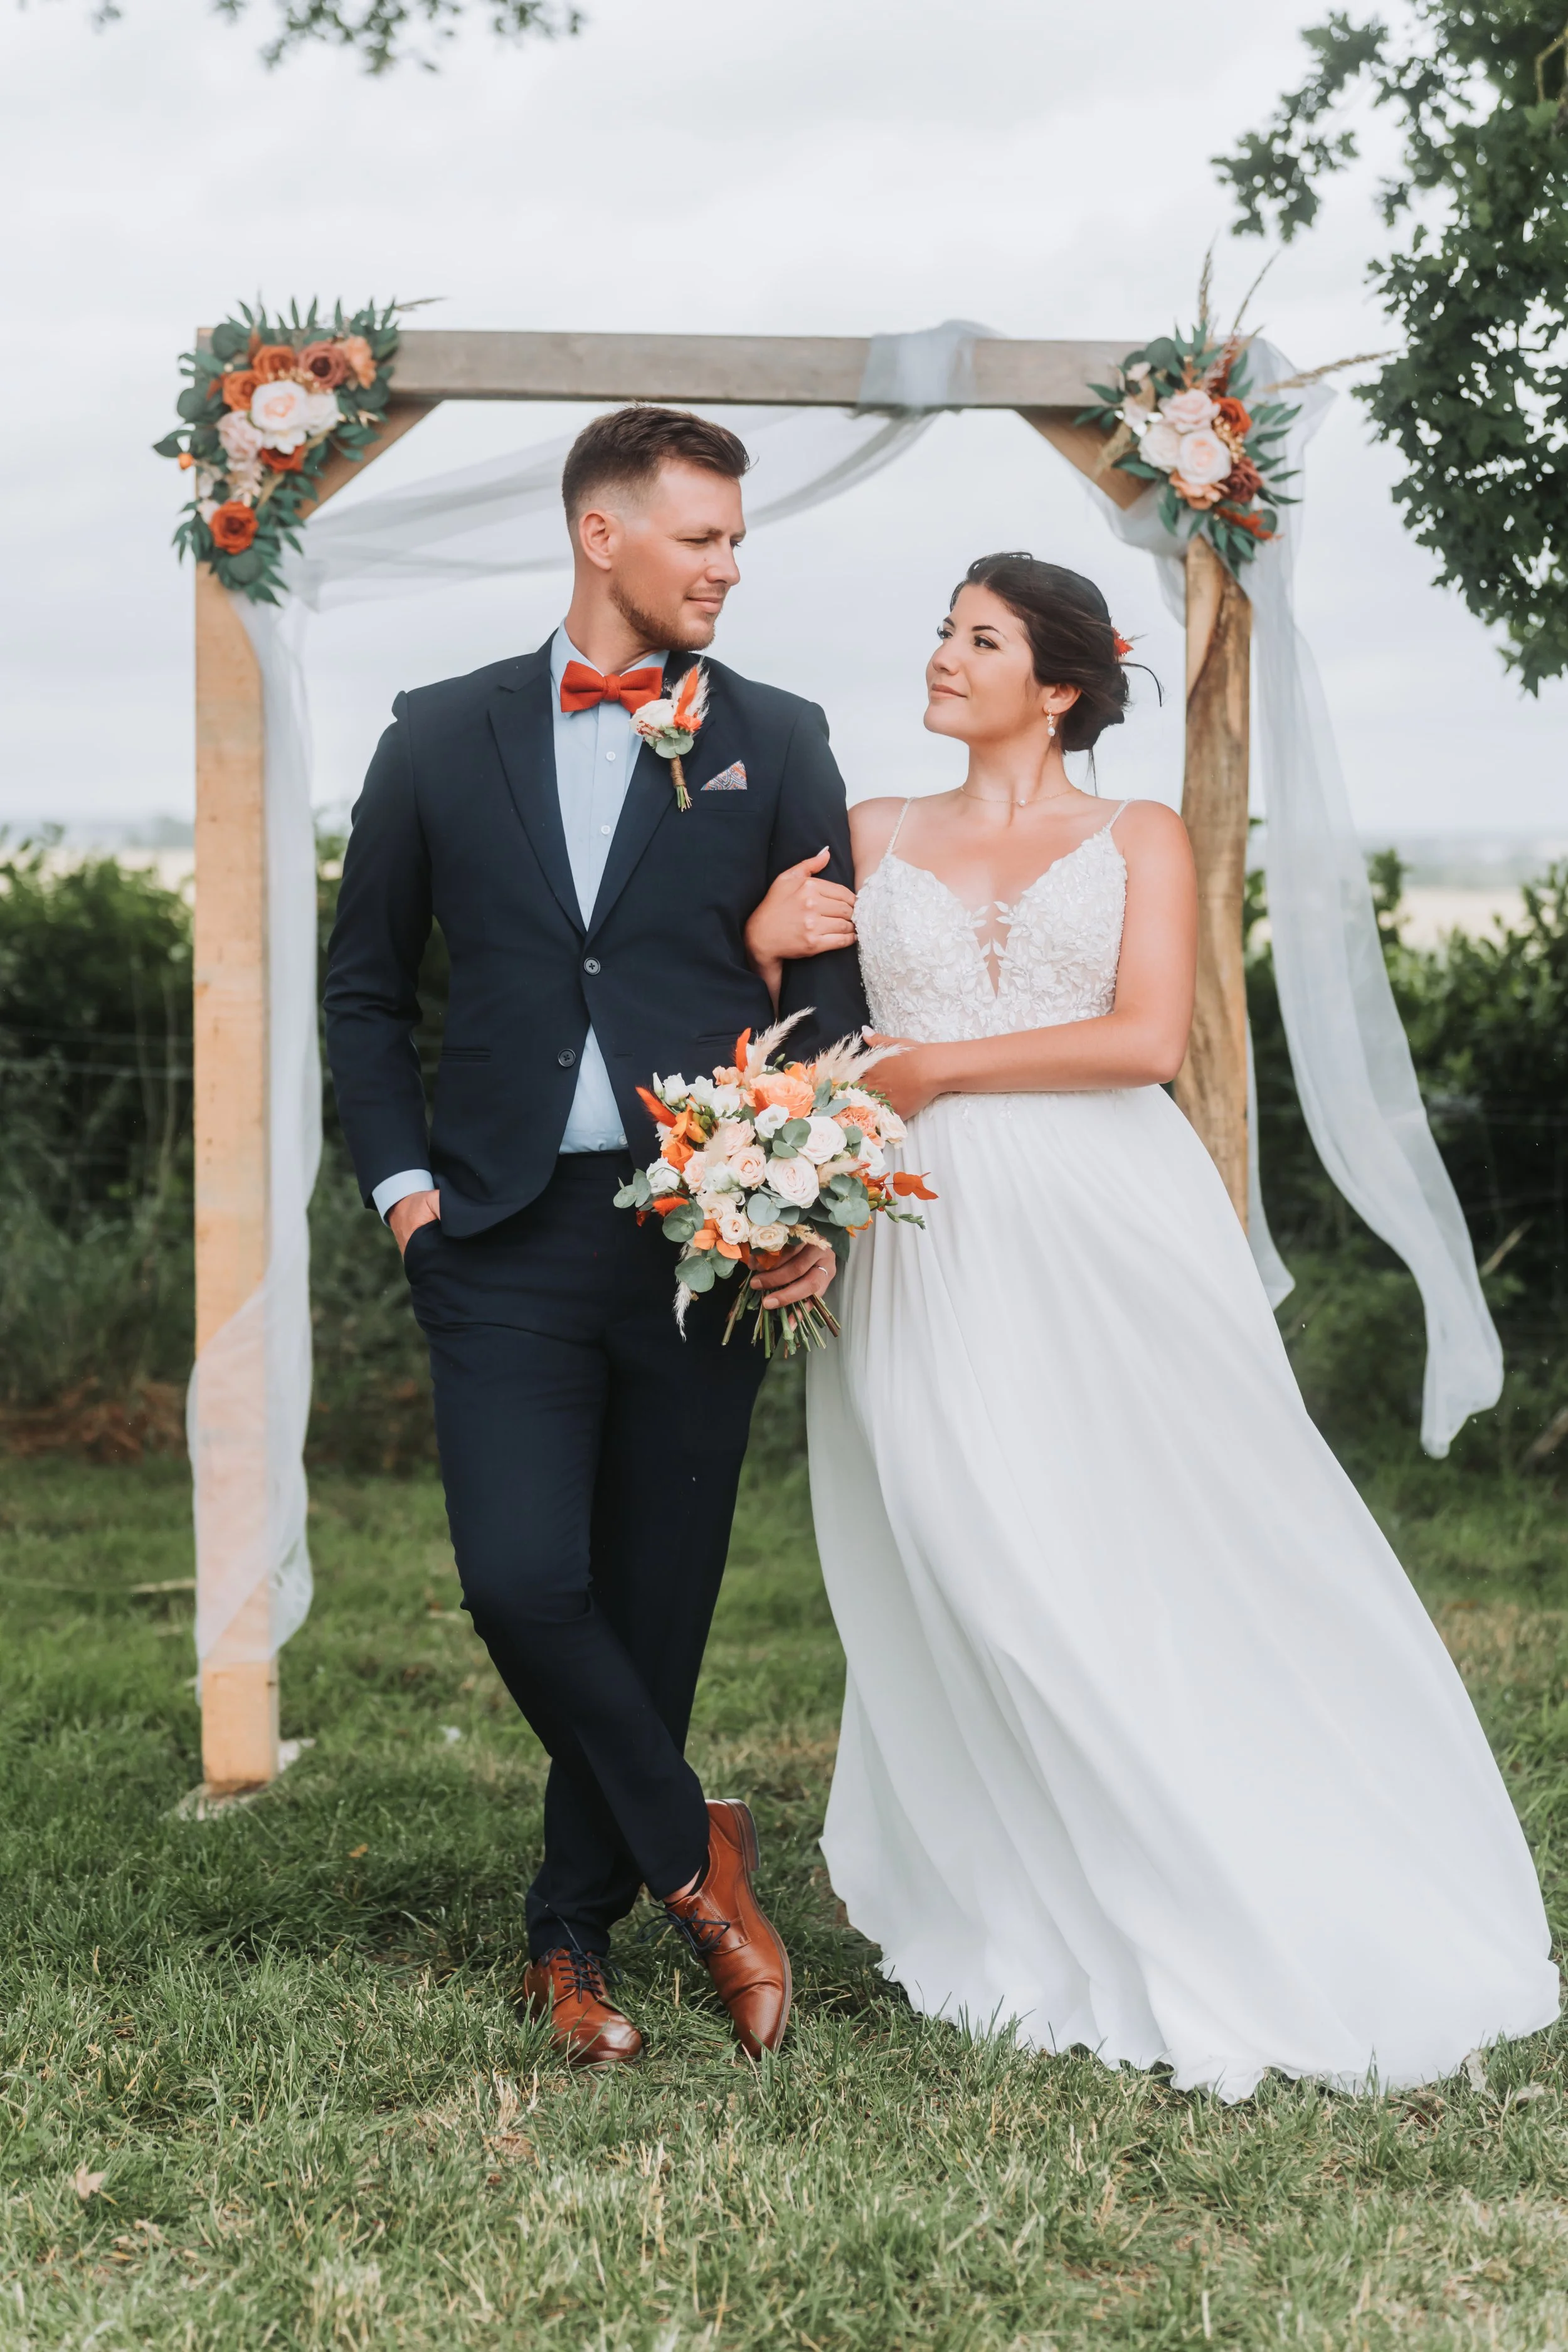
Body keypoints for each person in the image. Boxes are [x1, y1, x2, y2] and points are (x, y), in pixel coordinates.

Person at [748, 552, 1558, 2099]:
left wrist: (930, 1073)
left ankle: (1228, 1866)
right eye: (938, 628)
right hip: (923, 1238)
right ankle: (1038, 1882)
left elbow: (1138, 1039)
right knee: (963, 1538)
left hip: (1109, 1222)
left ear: (1053, 685)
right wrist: (759, 939)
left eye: (974, 638)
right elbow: (802, 1022)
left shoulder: (1137, 835)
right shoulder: (868, 833)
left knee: (1158, 1536)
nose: (939, 654)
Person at [323, 406, 867, 2069]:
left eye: (734, 540)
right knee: (520, 1576)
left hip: (700, 1239)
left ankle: (570, 1942)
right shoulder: (436, 734)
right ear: (601, 534)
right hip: (489, 1228)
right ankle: (698, 1862)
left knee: (649, 1606)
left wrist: (808, 1209)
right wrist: (404, 1189)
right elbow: (361, 988)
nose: (727, 565)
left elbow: (831, 1002)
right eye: (699, 537)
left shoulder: (776, 733)